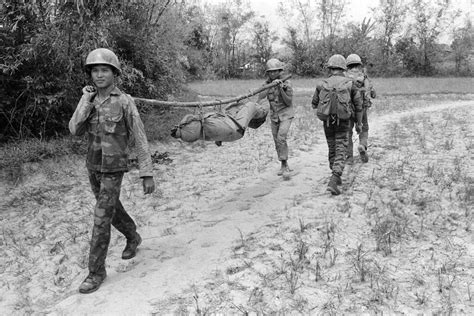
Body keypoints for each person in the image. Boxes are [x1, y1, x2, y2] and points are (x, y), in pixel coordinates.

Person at [69, 48, 155, 294]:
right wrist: (84, 100)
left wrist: (146, 172)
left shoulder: (125, 102)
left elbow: (139, 137)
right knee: (111, 209)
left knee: (101, 219)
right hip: (93, 166)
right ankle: (132, 235)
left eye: (104, 70)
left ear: (114, 73)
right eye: (94, 70)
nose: (99, 75)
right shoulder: (89, 100)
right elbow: (74, 129)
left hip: (113, 169)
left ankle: (96, 272)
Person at [311, 54, 363, 195]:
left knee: (332, 148)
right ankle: (335, 179)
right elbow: (359, 106)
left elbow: (314, 104)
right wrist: (358, 123)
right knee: (341, 149)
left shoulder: (322, 84)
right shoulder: (351, 84)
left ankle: (334, 174)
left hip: (327, 122)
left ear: (330, 68)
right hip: (344, 122)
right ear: (343, 68)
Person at [256, 58, 294, 178]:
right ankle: (283, 163)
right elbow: (260, 96)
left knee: (281, 137)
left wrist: (281, 88)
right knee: (276, 141)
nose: (272, 74)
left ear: (279, 71)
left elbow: (288, 102)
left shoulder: (287, 83)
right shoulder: (266, 84)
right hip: (274, 116)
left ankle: (284, 164)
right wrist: (270, 86)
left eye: (275, 71)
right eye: (270, 72)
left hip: (286, 114)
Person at [345, 53, 377, 163]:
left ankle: (349, 157)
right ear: (359, 64)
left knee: (348, 132)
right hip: (361, 108)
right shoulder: (363, 76)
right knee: (364, 128)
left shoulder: (344, 77)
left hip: (347, 108)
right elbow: (373, 94)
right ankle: (362, 145)